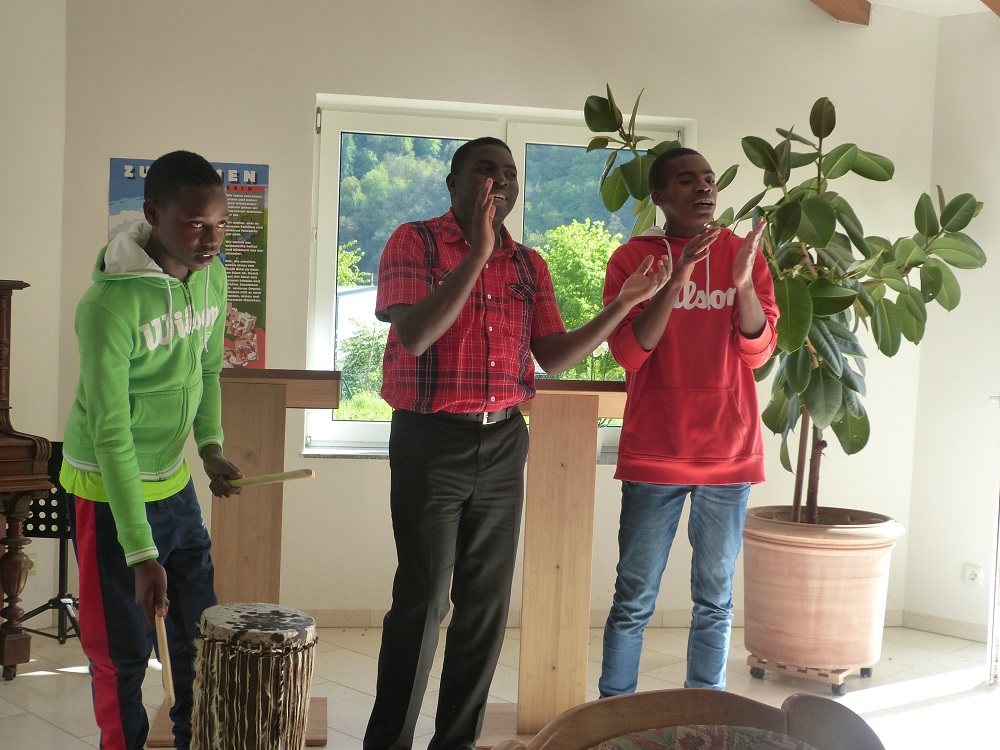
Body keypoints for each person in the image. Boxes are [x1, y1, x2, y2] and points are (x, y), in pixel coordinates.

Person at [364, 136, 669, 750]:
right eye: (485, 170)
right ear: (454, 184)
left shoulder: (529, 264)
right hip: (430, 439)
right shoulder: (413, 241)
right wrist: (477, 252)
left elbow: (553, 356)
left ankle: (456, 743)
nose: (500, 181)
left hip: (504, 440)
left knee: (486, 607)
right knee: (423, 601)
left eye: (509, 172)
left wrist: (623, 305)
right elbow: (416, 335)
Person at [61, 150, 244, 750]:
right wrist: (140, 554)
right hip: (108, 492)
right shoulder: (107, 308)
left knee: (199, 639)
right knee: (122, 653)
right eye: (195, 224)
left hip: (174, 484)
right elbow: (111, 434)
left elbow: (209, 369)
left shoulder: (212, 276)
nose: (210, 240)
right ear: (152, 213)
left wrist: (209, 446)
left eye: (220, 224)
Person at [598, 147, 778, 695]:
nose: (703, 188)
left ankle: (706, 712)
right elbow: (630, 354)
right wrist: (677, 278)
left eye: (708, 179)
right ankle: (615, 713)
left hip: (728, 453)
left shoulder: (743, 254)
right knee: (633, 598)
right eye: (686, 180)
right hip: (655, 452)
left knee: (715, 601)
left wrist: (742, 284)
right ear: (659, 196)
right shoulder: (633, 260)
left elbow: (758, 352)